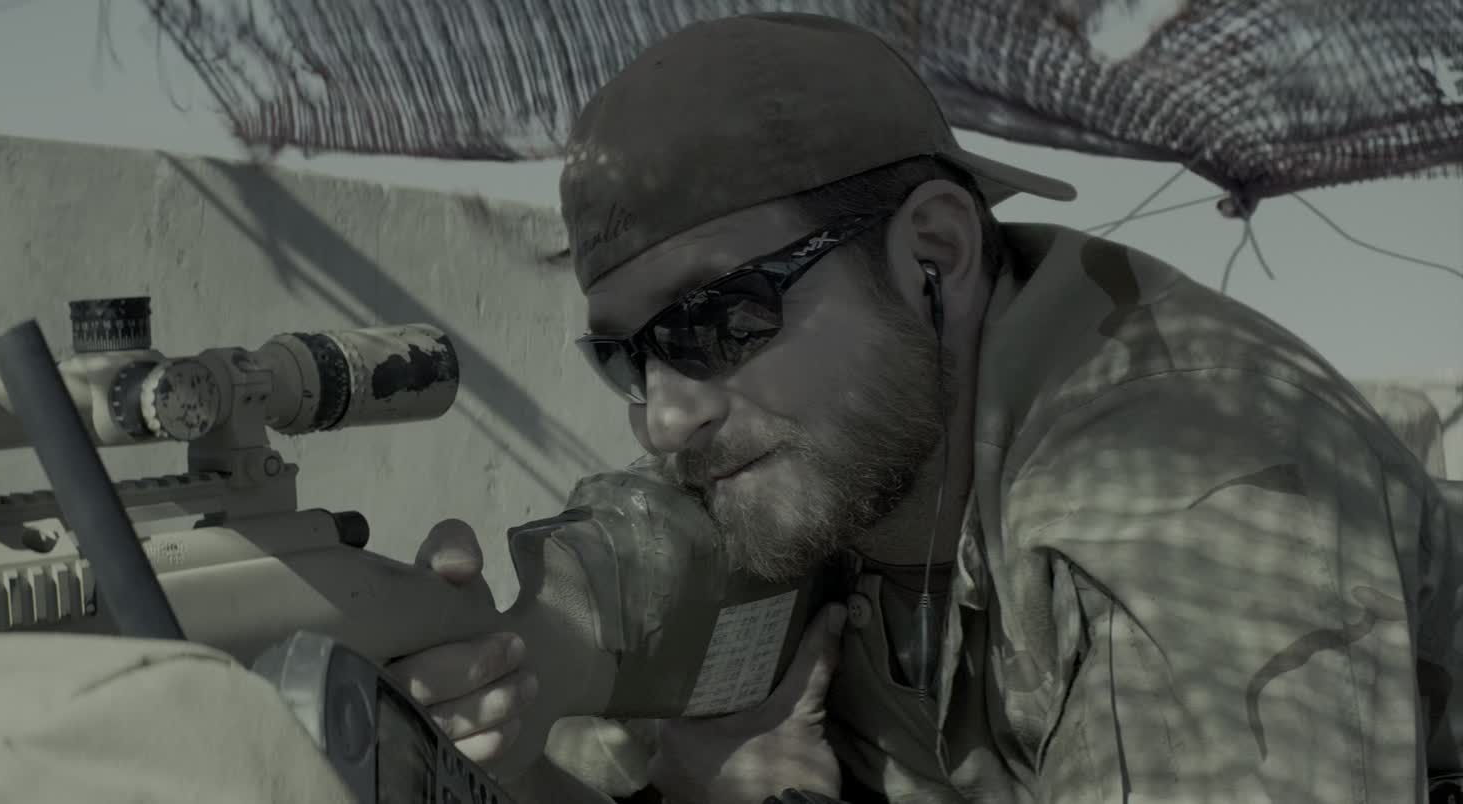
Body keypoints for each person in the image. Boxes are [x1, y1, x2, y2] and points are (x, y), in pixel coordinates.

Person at [386, 11, 1462, 804]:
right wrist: (511, 709)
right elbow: (622, 622)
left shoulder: (1192, 485)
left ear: (933, 250)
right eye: (629, 357)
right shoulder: (814, 471)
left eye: (721, 320)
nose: (665, 420)